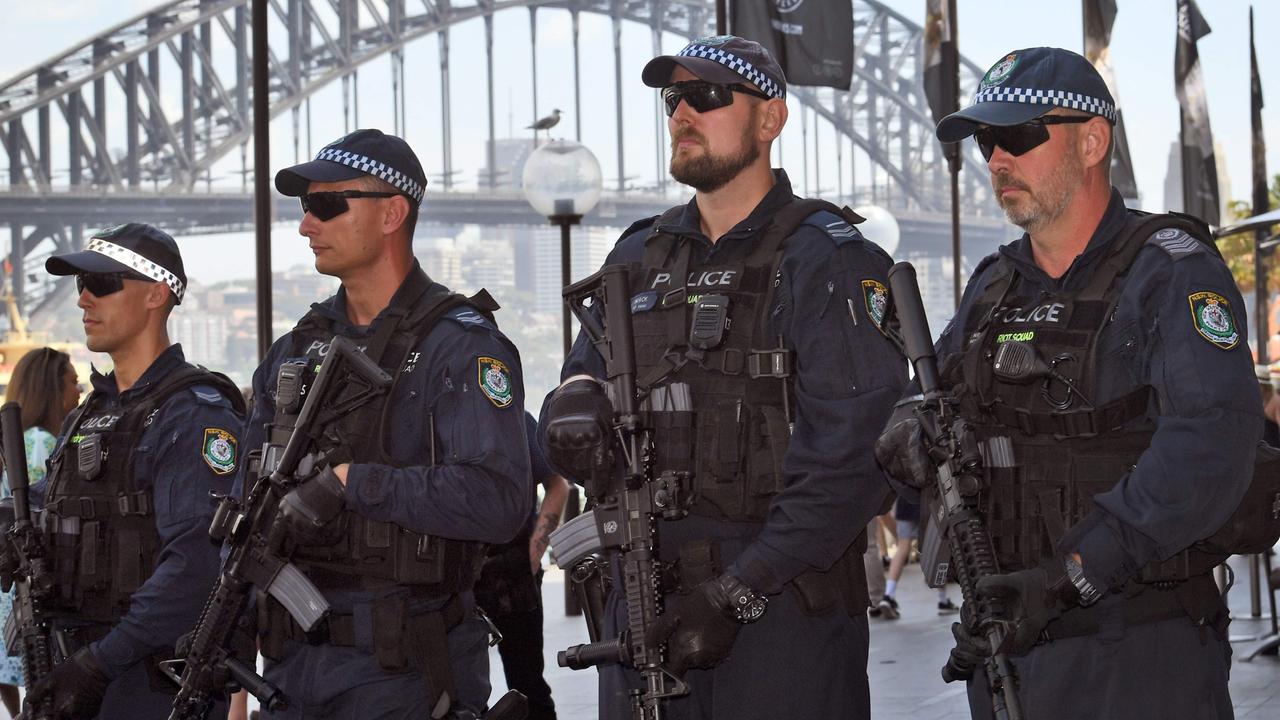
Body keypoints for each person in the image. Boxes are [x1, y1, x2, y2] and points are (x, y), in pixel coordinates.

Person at [875, 47, 1261, 718]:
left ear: (1092, 141)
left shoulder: (1169, 271)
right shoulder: (994, 286)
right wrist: (907, 426)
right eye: (987, 141)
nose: (995, 159)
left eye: (1018, 137)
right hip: (1012, 650)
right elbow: (929, 396)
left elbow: (1209, 447)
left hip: (1141, 649)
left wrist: (1064, 578)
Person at [542, 35, 905, 719]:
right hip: (644, 608)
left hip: (780, 620)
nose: (682, 113)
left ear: (770, 119)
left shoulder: (826, 258)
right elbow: (571, 400)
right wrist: (569, 419)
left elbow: (859, 459)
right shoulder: (635, 258)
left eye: (707, 96)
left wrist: (737, 591)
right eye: (673, 98)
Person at [241, 128, 531, 718]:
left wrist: (351, 484)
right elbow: (247, 496)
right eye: (304, 208)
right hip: (292, 666)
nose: (305, 225)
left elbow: (499, 500)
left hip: (404, 669)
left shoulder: (461, 346)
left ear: (392, 213)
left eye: (326, 205)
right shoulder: (296, 350)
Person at [22, 223, 245, 719]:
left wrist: (98, 665)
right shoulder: (93, 412)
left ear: (156, 294)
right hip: (76, 672)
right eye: (80, 285)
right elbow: (59, 498)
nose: (82, 300)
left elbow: (197, 568)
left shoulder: (194, 414)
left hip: (144, 685)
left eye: (100, 285)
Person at [0, 348, 80, 715]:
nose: (77, 391)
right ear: (51, 389)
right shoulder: (39, 444)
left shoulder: (30, 440)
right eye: (71, 381)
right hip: (27, 591)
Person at [474, 412, 568, 720]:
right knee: (463, 689)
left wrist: (535, 548)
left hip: (512, 569)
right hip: (457, 570)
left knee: (528, 684)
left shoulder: (513, 418)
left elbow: (557, 485)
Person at [881, 496, 958, 616]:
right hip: (927, 505)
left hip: (905, 504)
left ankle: (888, 594)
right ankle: (943, 599)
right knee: (936, 550)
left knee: (902, 548)